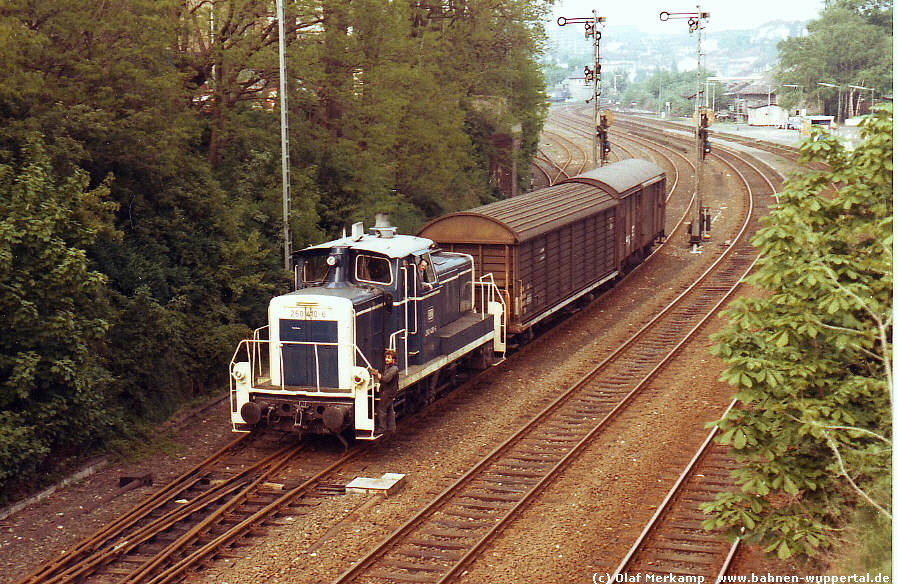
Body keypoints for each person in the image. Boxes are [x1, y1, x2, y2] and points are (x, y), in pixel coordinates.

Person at [372, 349, 399, 434]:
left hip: (389, 392)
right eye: (386, 357)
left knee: (381, 409)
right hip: (388, 391)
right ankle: (392, 427)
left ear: (393, 359)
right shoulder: (388, 367)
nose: (387, 359)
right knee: (390, 408)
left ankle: (382, 428)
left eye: (389, 358)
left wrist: (377, 374)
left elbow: (386, 379)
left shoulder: (394, 369)